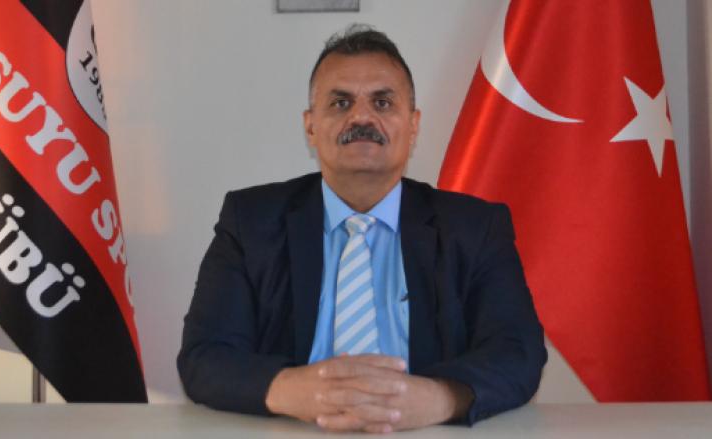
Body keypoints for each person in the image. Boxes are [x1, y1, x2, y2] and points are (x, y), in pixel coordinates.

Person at [177, 24, 546, 433]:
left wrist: (438, 398)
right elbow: (204, 356)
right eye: (340, 103)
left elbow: (519, 351)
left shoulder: (475, 228)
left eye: (382, 102)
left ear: (413, 124)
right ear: (310, 126)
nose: (362, 117)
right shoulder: (250, 221)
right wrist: (295, 390)